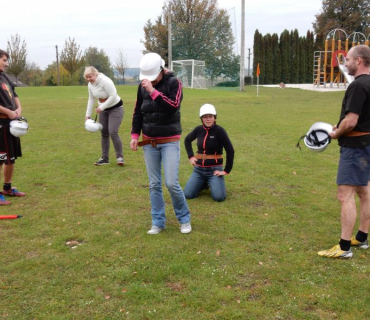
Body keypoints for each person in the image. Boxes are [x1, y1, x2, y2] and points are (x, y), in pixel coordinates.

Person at [130, 53, 191, 235]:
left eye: (152, 77)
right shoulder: (142, 87)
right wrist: (135, 134)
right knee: (154, 184)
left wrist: (153, 92)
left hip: (170, 140)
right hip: (149, 141)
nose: (148, 81)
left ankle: (184, 219)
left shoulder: (174, 83)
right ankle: (158, 222)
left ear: (161, 71)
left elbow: (173, 106)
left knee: (171, 182)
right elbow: (138, 112)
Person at [318, 45, 370, 259]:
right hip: (366, 146)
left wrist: (335, 133)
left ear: (358, 60)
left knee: (345, 195)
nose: (345, 63)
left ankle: (344, 247)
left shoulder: (358, 85)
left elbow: (351, 121)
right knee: (364, 193)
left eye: (347, 59)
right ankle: (362, 237)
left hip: (355, 148)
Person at [184, 104, 234, 202]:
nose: (208, 119)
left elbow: (230, 150)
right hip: (198, 169)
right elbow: (187, 140)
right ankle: (204, 183)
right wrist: (191, 156)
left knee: (219, 197)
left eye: (210, 116)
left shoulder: (220, 131)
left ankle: (212, 182)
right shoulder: (198, 129)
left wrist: (226, 170)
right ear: (201, 118)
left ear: (214, 117)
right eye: (205, 117)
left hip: (214, 170)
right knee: (188, 194)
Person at [0, 49, 26, 205]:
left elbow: (14, 94)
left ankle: (7, 188)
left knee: (11, 158)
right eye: (4, 60)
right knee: (0, 158)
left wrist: (18, 109)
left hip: (11, 123)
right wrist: (8, 112)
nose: (6, 63)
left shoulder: (4, 76)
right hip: (1, 123)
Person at [84, 66, 124, 166]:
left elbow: (113, 95)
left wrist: (102, 107)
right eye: (87, 77)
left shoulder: (105, 81)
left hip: (116, 108)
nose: (89, 79)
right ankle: (104, 159)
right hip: (103, 109)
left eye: (90, 77)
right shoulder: (90, 85)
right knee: (104, 133)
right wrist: (88, 115)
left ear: (95, 74)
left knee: (113, 132)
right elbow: (91, 99)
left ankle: (120, 157)